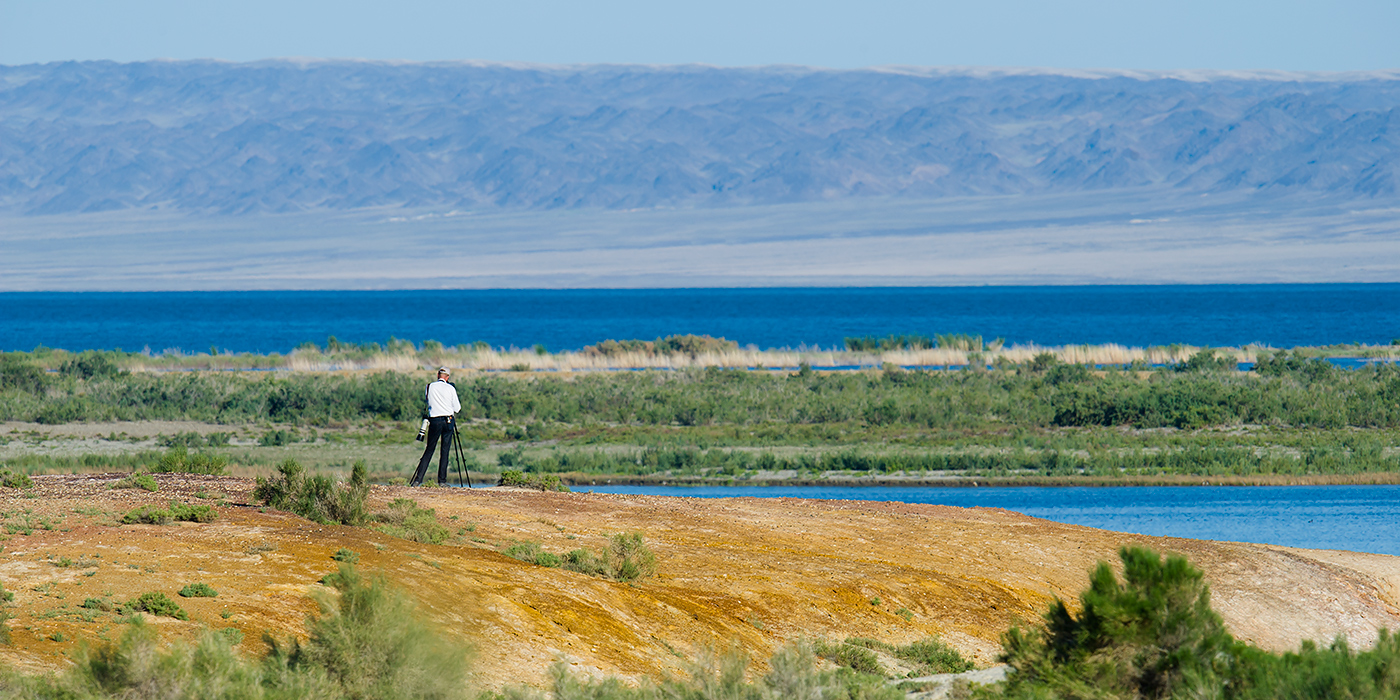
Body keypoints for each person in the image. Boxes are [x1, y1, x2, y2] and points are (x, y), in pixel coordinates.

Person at [411, 367, 460, 487]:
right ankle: (442, 481)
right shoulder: (450, 388)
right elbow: (457, 408)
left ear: (438, 375)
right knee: (445, 451)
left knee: (429, 449)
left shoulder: (429, 387)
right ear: (447, 377)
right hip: (448, 420)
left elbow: (428, 401)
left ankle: (418, 480)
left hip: (434, 420)